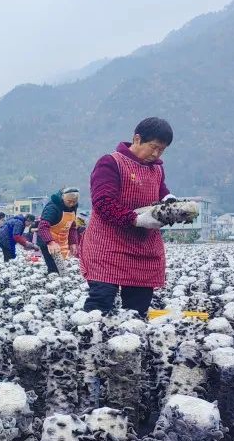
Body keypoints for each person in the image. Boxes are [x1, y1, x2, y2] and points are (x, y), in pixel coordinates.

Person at [80, 117, 176, 317]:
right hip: (107, 246)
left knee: (138, 309)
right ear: (137, 139)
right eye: (154, 147)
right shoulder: (110, 163)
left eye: (162, 150)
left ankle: (130, 345)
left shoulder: (157, 169)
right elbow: (103, 203)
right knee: (101, 301)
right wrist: (136, 219)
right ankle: (91, 343)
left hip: (143, 247)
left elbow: (161, 191)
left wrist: (169, 200)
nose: (157, 154)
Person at [37, 188, 80, 274]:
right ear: (62, 198)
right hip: (48, 242)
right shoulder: (52, 207)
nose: (71, 204)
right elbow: (42, 226)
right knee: (55, 268)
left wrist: (73, 243)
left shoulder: (73, 207)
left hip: (62, 241)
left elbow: (72, 226)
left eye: (74, 202)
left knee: (63, 268)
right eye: (69, 201)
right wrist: (50, 242)